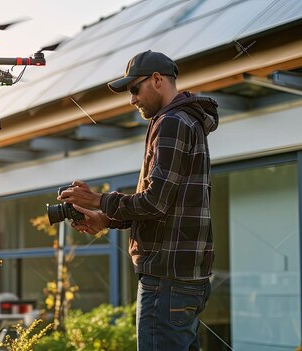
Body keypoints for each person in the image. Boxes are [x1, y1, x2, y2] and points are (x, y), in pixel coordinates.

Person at [58, 50, 219, 350]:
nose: (131, 99)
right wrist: (106, 218)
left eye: (134, 89)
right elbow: (164, 204)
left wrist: (97, 200)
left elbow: (155, 201)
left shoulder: (172, 121)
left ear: (157, 80)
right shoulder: (189, 121)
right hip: (184, 280)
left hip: (165, 280)